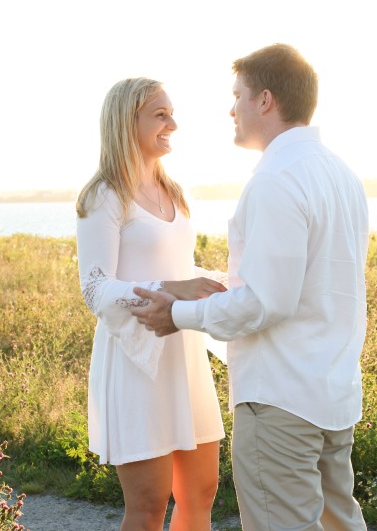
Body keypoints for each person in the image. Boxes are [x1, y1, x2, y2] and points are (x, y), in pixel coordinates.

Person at [131, 44, 370, 530]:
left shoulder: (276, 180)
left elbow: (267, 301)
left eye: (237, 95)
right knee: (340, 523)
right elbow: (309, 285)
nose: (231, 108)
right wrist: (217, 286)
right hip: (333, 395)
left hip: (280, 400)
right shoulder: (342, 175)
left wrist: (177, 315)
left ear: (265, 101)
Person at [75, 77, 227, 531]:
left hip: (185, 354)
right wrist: (173, 287)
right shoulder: (104, 195)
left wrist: (223, 283)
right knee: (147, 508)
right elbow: (95, 288)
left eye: (171, 114)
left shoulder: (174, 192)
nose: (173, 124)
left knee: (201, 493)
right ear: (128, 121)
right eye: (160, 115)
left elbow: (180, 267)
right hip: (136, 363)